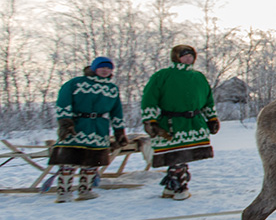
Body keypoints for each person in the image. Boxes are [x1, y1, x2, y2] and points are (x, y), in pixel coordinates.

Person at [141, 44, 217, 200]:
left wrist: (212, 118)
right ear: (176, 57)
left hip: (193, 122)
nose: (188, 58)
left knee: (182, 156)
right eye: (184, 55)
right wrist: (151, 121)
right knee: (177, 157)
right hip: (171, 123)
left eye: (191, 55)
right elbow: (149, 98)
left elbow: (208, 100)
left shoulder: (199, 77)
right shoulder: (162, 76)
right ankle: (180, 187)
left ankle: (170, 187)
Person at [49, 56, 127, 202]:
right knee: (70, 159)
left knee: (93, 160)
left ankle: (85, 190)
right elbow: (63, 102)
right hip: (78, 125)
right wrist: (65, 122)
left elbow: (117, 111)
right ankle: (64, 192)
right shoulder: (76, 83)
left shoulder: (112, 88)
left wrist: (119, 131)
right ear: (94, 68)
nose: (105, 70)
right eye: (102, 67)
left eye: (108, 68)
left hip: (99, 127)